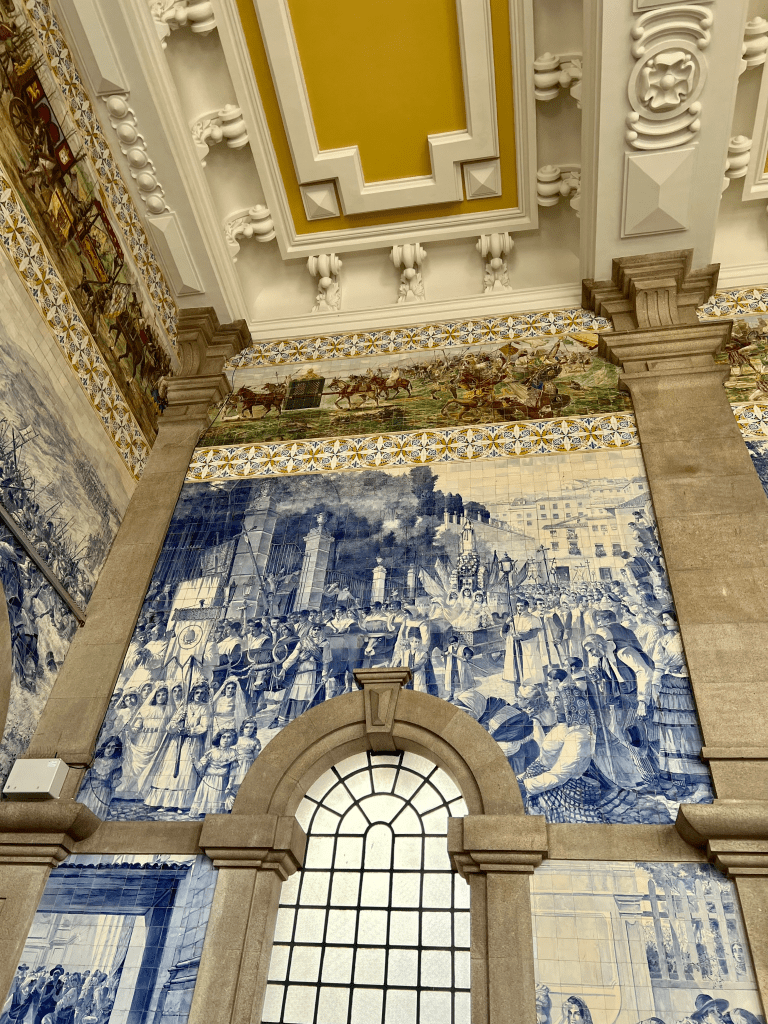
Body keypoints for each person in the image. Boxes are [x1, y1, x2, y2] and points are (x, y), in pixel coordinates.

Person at [517, 686, 603, 823]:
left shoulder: (578, 736)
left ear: (570, 703)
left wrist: (525, 786)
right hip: (541, 779)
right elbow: (543, 759)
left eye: (558, 699)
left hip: (560, 788)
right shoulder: (563, 727)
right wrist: (521, 777)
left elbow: (561, 775)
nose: (553, 703)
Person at [272, 625, 331, 727]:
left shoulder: (325, 643)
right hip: (301, 671)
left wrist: (324, 675)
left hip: (315, 673)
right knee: (296, 693)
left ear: (321, 631)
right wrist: (284, 668)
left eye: (318, 629)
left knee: (310, 695)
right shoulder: (303, 641)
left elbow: (326, 660)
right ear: (310, 630)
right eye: (314, 629)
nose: (316, 631)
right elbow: (294, 656)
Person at [189, 728, 239, 816]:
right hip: (208, 781)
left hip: (222, 782)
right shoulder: (212, 752)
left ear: (232, 739)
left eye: (229, 737)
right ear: (219, 738)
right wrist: (195, 762)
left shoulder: (233, 753)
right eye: (223, 737)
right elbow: (200, 767)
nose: (226, 740)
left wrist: (230, 785)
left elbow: (233, 770)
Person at [502, 599, 543, 695]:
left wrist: (521, 636)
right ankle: (518, 694)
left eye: (521, 606)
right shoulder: (513, 618)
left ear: (527, 607)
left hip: (527, 648)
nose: (519, 608)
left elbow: (534, 633)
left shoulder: (533, 618)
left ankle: (535, 694)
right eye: (518, 606)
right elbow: (504, 632)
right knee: (516, 671)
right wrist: (507, 623)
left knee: (530, 671)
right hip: (515, 648)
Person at [77, 736, 123, 817]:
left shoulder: (116, 764)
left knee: (96, 816)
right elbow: (85, 778)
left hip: (103, 794)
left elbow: (113, 787)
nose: (110, 750)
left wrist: (109, 802)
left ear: (116, 750)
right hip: (88, 792)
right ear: (105, 747)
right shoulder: (95, 761)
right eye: (108, 747)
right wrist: (79, 791)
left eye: (113, 748)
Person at [231, 718, 261, 792]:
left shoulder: (255, 741)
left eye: (251, 727)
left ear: (254, 729)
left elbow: (256, 757)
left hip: (248, 765)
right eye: (246, 727)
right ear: (243, 728)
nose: (248, 730)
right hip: (237, 764)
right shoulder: (237, 739)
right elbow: (232, 753)